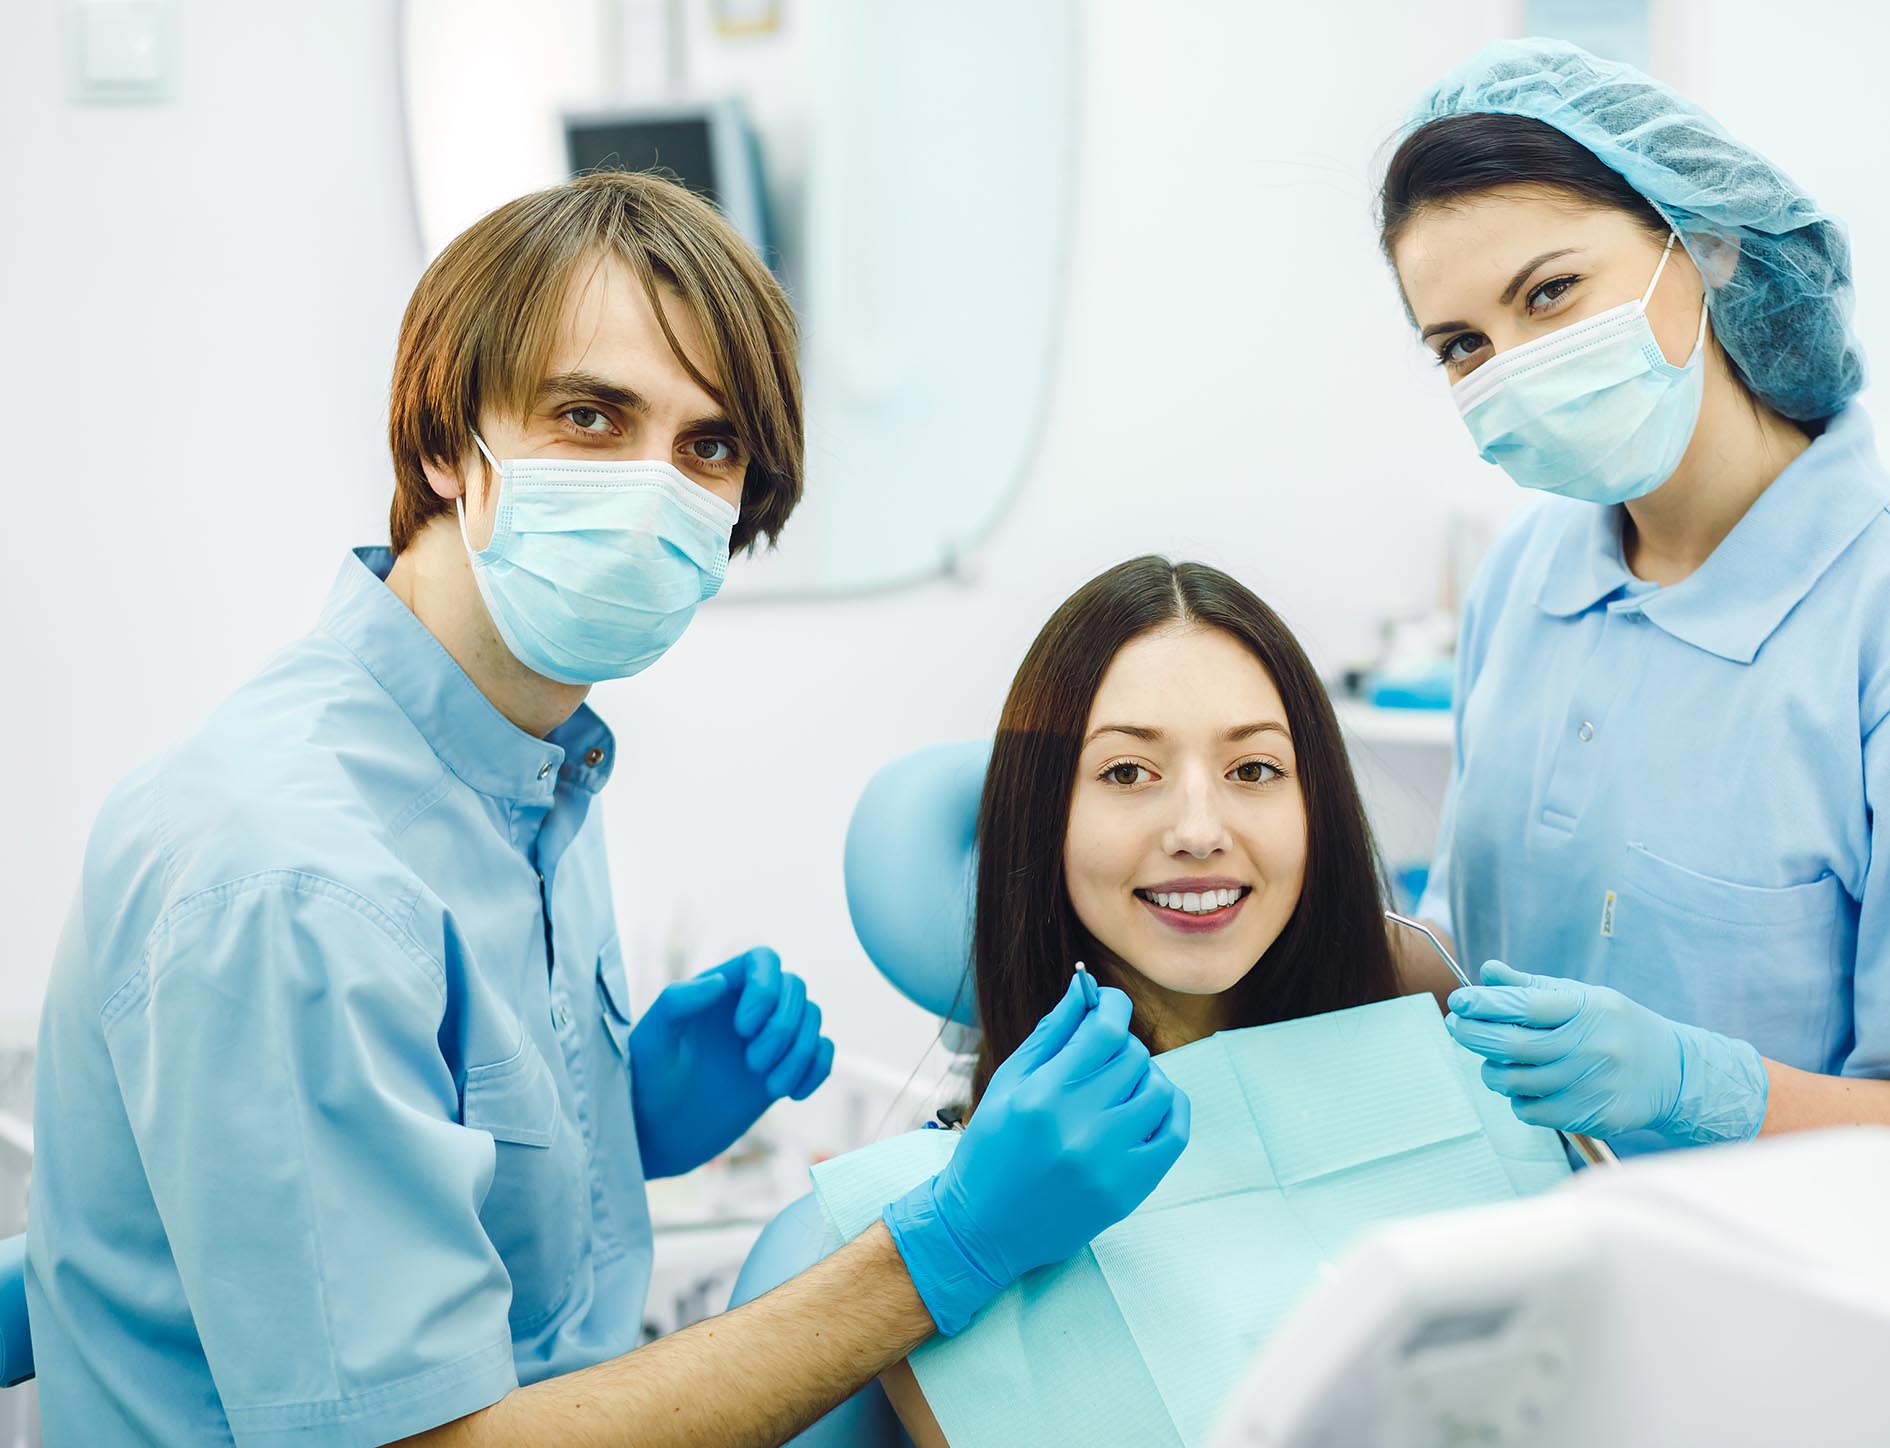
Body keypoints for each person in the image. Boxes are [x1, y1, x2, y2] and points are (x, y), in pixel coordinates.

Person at [25, 171, 1186, 1448]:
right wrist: (949, 1242)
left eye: (708, 446)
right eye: (590, 416)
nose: (656, 491)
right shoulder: (298, 871)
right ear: (439, 445)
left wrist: (615, 1133)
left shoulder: (523, 768)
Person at [1378, 38, 1890, 1155]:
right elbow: (1467, 960)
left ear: (1703, 246)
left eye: (1551, 292)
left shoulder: (1871, 616)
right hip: (1539, 1262)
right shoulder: (1524, 577)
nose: (1510, 365)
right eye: (1463, 344)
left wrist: (1704, 1084)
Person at [879, 556, 1405, 1445]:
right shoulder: (961, 1215)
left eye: (1254, 770)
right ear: (1044, 816)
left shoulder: (1437, 1100)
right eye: (1127, 773)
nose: (1200, 831)